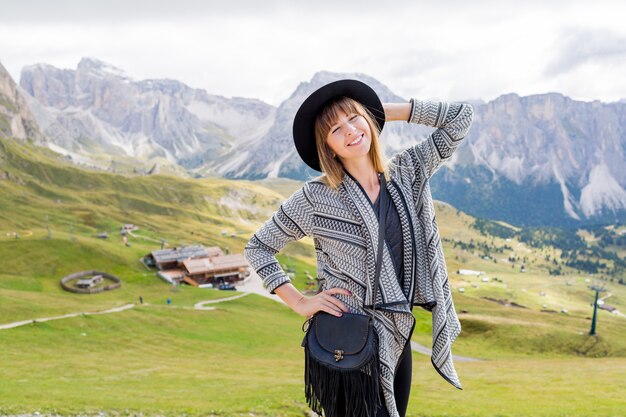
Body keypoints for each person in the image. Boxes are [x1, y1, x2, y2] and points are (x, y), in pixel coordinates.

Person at [244, 79, 474, 417]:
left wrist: (381, 112)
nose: (351, 131)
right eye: (336, 129)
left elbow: (460, 118)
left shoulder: (407, 172)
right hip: (348, 337)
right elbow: (259, 247)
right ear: (328, 147)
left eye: (354, 118)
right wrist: (299, 302)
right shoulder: (315, 198)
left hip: (398, 333)